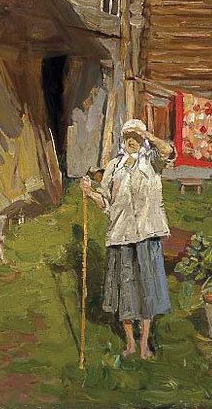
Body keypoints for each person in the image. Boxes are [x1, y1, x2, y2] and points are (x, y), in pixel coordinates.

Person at [80, 119, 175, 359]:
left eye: (137, 137)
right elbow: (106, 202)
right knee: (126, 291)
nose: (132, 141)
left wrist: (148, 134)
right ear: (123, 139)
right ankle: (130, 343)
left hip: (146, 235)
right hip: (120, 235)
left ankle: (144, 344)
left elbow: (168, 151)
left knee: (147, 290)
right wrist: (90, 193)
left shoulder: (151, 161)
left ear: (143, 139)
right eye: (128, 137)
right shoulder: (114, 166)